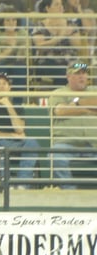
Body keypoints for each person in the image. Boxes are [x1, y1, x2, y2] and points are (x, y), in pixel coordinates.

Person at [0, 72, 40, 188]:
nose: (2, 86)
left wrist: (8, 106)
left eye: (4, 83)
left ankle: (23, 184)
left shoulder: (17, 107)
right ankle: (3, 184)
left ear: (9, 87)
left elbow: (20, 128)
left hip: (15, 144)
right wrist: (11, 135)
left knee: (32, 142)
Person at [49, 61, 97, 189]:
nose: (82, 76)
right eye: (77, 74)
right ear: (68, 76)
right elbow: (60, 111)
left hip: (93, 143)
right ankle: (70, 192)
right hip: (66, 143)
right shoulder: (58, 93)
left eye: (84, 73)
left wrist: (75, 106)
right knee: (55, 156)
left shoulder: (94, 90)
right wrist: (83, 106)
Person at [31, 0, 82, 88]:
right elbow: (40, 47)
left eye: (61, 4)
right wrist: (59, 38)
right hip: (47, 62)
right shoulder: (40, 25)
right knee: (63, 72)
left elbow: (78, 46)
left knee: (82, 67)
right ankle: (61, 98)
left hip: (71, 61)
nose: (60, 7)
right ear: (47, 8)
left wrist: (70, 35)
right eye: (56, 4)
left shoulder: (70, 24)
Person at [0, 7, 28, 102]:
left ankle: (17, 103)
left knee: (20, 68)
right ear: (2, 22)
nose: (11, 23)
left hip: (16, 63)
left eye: (14, 20)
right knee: (0, 67)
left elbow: (23, 58)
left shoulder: (22, 33)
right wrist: (11, 47)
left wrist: (21, 50)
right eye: (7, 20)